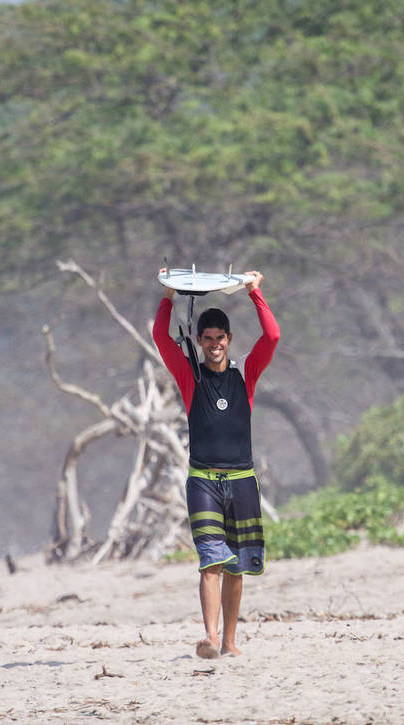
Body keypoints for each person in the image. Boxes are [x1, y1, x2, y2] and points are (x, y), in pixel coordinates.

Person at [153, 268, 280, 658]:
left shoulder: (246, 376)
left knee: (237, 565)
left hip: (242, 480)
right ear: (198, 340)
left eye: (219, 338)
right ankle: (209, 637)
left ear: (229, 340)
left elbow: (272, 336)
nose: (213, 345)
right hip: (203, 481)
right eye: (206, 339)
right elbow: (160, 336)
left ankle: (229, 643)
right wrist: (169, 294)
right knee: (211, 559)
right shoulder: (190, 378)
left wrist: (255, 292)